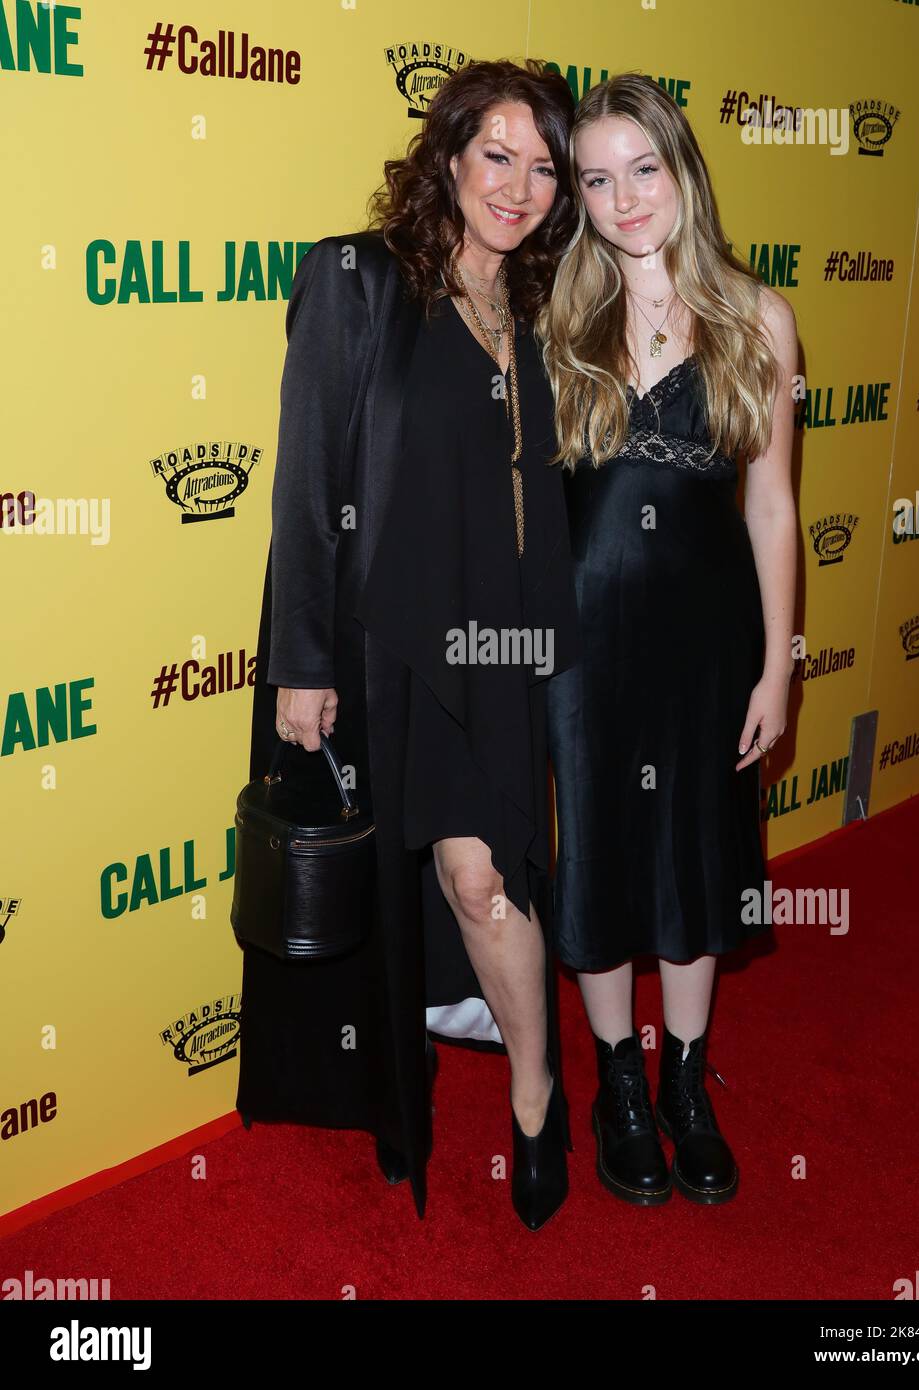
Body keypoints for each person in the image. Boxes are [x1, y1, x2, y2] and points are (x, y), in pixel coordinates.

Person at [238, 58, 581, 1231]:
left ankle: (538, 1097)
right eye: (498, 154)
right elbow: (304, 481)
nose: (519, 185)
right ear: (446, 156)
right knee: (429, 889)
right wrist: (301, 664)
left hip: (500, 645)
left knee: (490, 882)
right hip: (389, 656)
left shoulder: (534, 305)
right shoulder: (361, 281)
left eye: (542, 166)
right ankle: (407, 1090)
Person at [538, 73, 797, 1206]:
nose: (621, 197)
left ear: (682, 170)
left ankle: (688, 1082)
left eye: (642, 168)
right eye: (596, 178)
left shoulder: (759, 316)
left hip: (706, 637)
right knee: (596, 857)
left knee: (696, 856)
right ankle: (619, 1087)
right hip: (585, 642)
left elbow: (776, 505)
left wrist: (778, 665)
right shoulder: (559, 312)